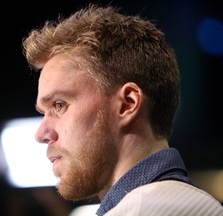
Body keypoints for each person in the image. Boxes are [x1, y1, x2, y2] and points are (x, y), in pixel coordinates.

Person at [22, 3, 223, 216]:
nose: (41, 134)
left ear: (127, 103)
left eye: (59, 105)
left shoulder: (146, 209)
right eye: (44, 113)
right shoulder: (185, 203)